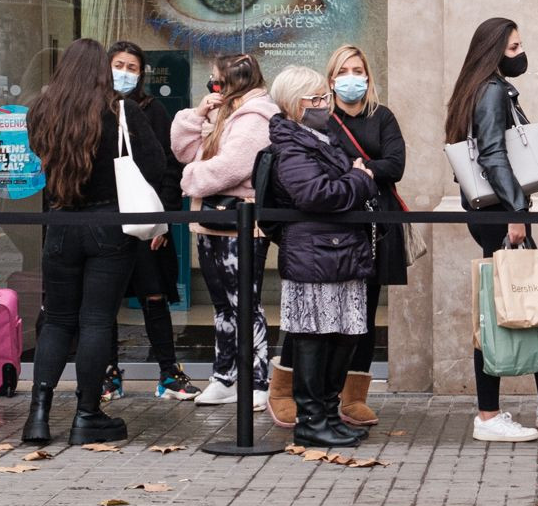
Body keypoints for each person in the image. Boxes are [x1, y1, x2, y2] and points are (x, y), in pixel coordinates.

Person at [445, 18, 538, 443]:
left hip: (497, 209)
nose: (521, 54)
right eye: (513, 48)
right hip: (501, 212)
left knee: (527, 302)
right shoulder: (491, 91)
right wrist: (516, 213)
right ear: (494, 52)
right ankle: (489, 414)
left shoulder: (478, 89)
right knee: (498, 310)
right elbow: (493, 155)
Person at [22, 37, 168, 445]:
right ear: (102, 71)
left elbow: (40, 154)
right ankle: (87, 414)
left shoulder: (43, 111)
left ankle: (38, 415)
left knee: (56, 320)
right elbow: (156, 164)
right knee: (96, 321)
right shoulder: (120, 111)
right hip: (109, 224)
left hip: (60, 223)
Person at [264, 66, 379, 447]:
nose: (325, 104)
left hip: (337, 251)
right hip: (315, 256)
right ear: (296, 106)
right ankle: (312, 420)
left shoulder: (319, 137)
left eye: (324, 97)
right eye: (316, 99)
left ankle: (328, 413)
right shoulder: (292, 145)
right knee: (315, 337)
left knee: (342, 336)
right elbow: (316, 194)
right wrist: (360, 179)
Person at [172, 53, 277, 411]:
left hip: (241, 226)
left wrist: (189, 180)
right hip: (210, 221)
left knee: (245, 304)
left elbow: (232, 167)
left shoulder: (256, 116)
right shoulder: (222, 113)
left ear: (233, 82)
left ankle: (259, 380)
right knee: (222, 306)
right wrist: (198, 113)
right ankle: (224, 376)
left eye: (216, 79)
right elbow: (183, 150)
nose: (212, 85)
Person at [103, 42, 197, 403]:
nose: (124, 72)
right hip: (107, 221)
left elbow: (169, 167)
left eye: (132, 67)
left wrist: (162, 221)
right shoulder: (94, 109)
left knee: (154, 296)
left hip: (147, 221)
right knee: (105, 299)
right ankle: (108, 373)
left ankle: (169, 372)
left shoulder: (152, 110)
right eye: (118, 64)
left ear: (142, 74)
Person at [322, 44, 408, 430]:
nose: (352, 78)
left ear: (368, 77)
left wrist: (362, 168)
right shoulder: (324, 120)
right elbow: (325, 168)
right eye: (344, 71)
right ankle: (319, 392)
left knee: (367, 311)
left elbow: (397, 164)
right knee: (330, 311)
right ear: (331, 79)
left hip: (377, 228)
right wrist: (362, 171)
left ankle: (354, 397)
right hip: (336, 227)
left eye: (359, 70)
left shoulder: (381, 117)